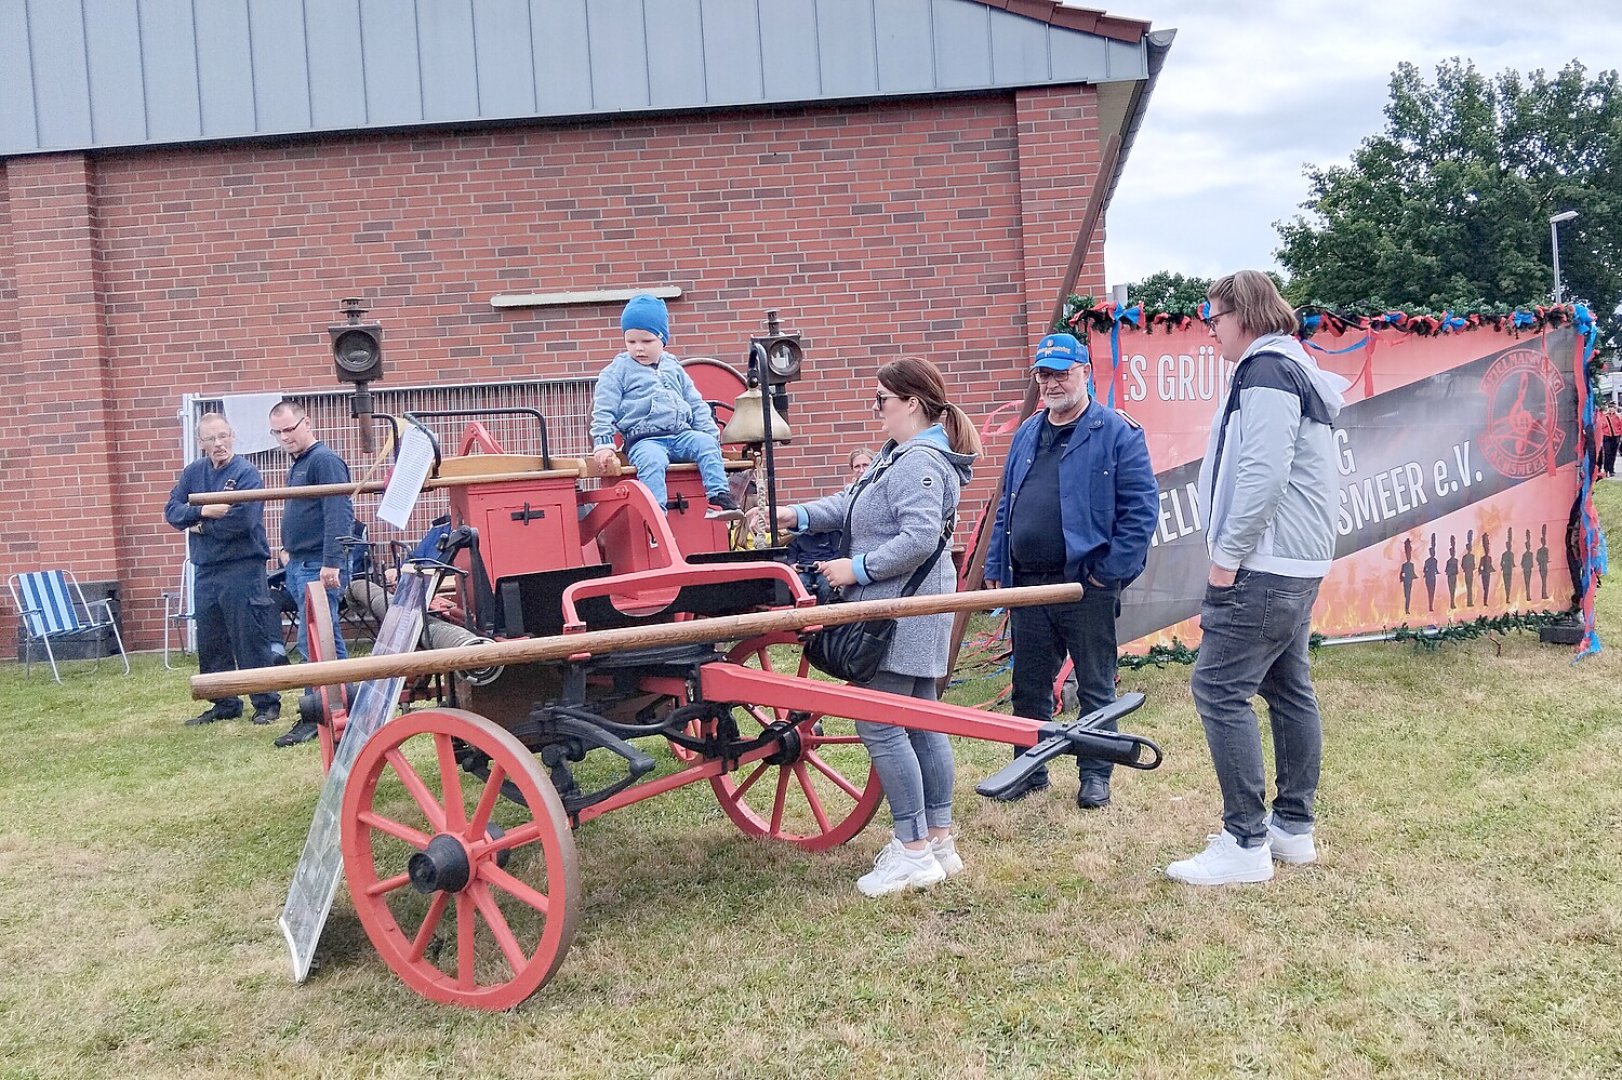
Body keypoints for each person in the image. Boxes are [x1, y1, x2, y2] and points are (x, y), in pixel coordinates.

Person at [748, 356, 980, 897]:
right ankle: (938, 841)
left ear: (912, 405)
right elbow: (852, 505)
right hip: (910, 607)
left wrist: (858, 568)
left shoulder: (917, 463)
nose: (875, 409)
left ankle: (913, 850)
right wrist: (794, 515)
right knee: (922, 721)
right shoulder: (899, 456)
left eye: (881, 400)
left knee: (881, 723)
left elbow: (921, 537)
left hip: (899, 609)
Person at [1166, 270, 1348, 886]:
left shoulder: (1267, 371)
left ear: (1242, 315)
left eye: (1214, 318)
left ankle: (1244, 842)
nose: (1210, 330)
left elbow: (1263, 471)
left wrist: (1228, 555)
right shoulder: (1292, 366)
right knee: (1289, 689)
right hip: (1292, 563)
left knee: (1218, 689)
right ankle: (1291, 829)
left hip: (1263, 564)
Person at [983, 333, 1158, 809]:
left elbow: (1141, 512)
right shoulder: (1027, 433)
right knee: (1029, 686)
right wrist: (999, 565)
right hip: (1028, 586)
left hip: (1084, 587)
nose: (1052, 382)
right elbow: (1006, 507)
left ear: (1085, 372)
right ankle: (1029, 770)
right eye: (1044, 373)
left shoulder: (1118, 433)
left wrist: (1107, 575)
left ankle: (1096, 774)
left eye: (1062, 372)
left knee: (1096, 685)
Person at [164, 414, 286, 727]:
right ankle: (223, 703)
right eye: (210, 439)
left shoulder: (246, 473)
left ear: (232, 435)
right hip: (206, 569)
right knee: (211, 639)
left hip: (242, 568)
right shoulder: (193, 473)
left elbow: (242, 522)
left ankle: (266, 702)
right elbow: (173, 512)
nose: (218, 444)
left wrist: (197, 527)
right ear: (201, 443)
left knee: (250, 637)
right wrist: (204, 511)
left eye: (223, 436)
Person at [590, 294, 742, 519]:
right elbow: (603, 408)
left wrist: (711, 434)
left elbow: (694, 401)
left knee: (706, 444)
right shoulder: (617, 370)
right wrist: (603, 444)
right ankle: (656, 515)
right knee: (652, 461)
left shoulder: (673, 366)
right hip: (644, 439)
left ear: (662, 339)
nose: (638, 348)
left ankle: (718, 498)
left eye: (646, 341)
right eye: (631, 342)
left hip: (681, 434)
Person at [268, 399, 354, 748]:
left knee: (317, 644)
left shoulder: (323, 460)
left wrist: (331, 561)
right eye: (278, 432)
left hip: (317, 564)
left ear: (307, 423)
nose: (285, 437)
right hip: (300, 562)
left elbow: (338, 510)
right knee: (323, 641)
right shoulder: (302, 463)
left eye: (290, 429)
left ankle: (320, 713)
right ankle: (340, 710)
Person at [1600, 403, 1621, 479]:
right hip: (1607, 436)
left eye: (1613, 407)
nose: (1611, 409)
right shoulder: (1605, 416)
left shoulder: (1618, 417)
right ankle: (1606, 469)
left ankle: (1611, 469)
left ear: (1615, 408)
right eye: (1610, 407)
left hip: (1616, 436)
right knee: (1607, 453)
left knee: (1613, 454)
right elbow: (1601, 426)